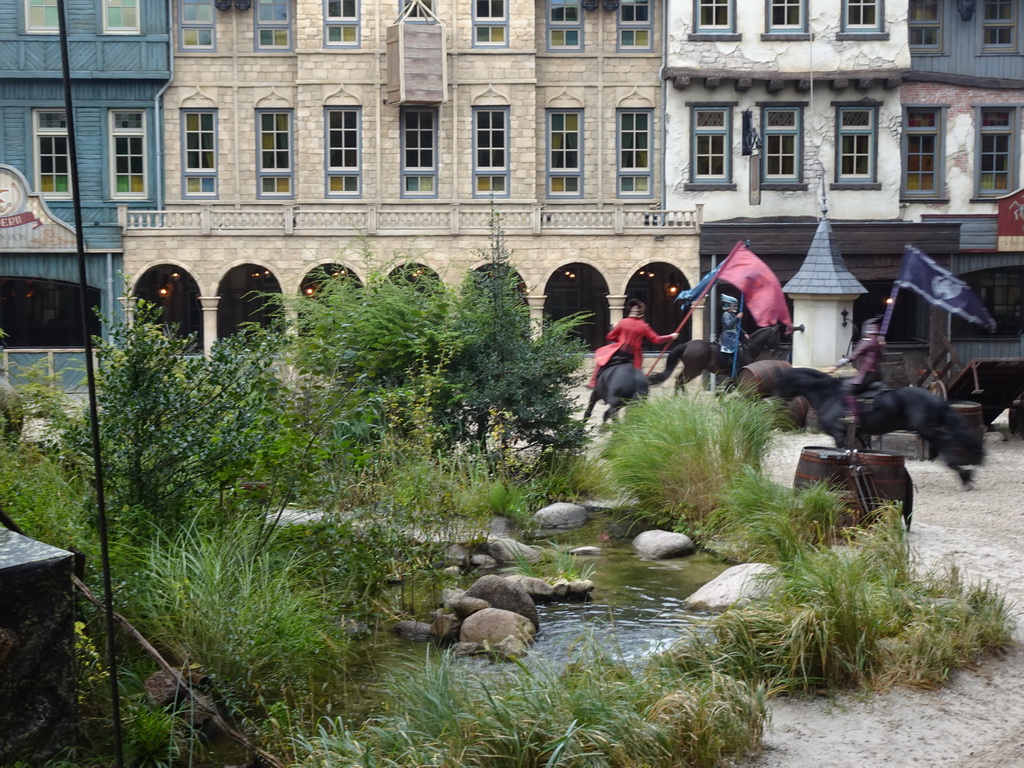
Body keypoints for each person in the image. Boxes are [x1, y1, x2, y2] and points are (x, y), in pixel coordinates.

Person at [588, 299, 679, 388]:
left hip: (620, 351)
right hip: (634, 356)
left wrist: (619, 338)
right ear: (641, 314)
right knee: (638, 374)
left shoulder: (623, 322)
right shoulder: (644, 326)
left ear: (630, 312)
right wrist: (671, 336)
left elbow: (609, 337)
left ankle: (593, 382)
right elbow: (656, 340)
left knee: (602, 361)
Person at [828, 316, 885, 423]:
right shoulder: (878, 344)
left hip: (867, 374)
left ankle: (854, 416)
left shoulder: (866, 342)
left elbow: (852, 356)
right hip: (876, 375)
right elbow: (881, 358)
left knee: (848, 389)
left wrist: (836, 365)